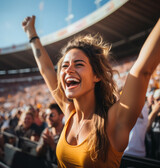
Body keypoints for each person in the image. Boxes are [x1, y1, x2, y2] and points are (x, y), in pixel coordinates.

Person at [22, 15, 160, 168]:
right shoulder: (69, 113)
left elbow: (142, 70)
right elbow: (46, 69)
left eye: (78, 64)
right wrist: (31, 34)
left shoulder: (113, 120)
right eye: (64, 65)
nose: (68, 70)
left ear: (97, 75)